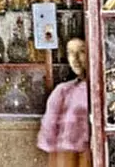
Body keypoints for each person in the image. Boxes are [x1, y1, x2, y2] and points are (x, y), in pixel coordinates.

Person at [37, 38, 91, 167]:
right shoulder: (63, 91)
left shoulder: (100, 89)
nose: (75, 58)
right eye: (70, 52)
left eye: (82, 51)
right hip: (67, 157)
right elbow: (48, 132)